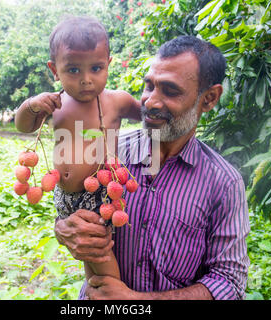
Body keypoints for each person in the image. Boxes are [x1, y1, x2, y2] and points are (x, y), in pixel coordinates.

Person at [54, 35, 251, 300]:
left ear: (209, 97)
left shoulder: (224, 183)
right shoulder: (108, 151)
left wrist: (137, 301)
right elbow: (72, 200)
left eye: (170, 91)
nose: (150, 101)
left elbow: (228, 282)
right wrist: (64, 228)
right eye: (149, 86)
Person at [14, 16, 141, 282]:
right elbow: (24, 126)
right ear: (54, 70)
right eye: (73, 70)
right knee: (87, 257)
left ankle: (115, 296)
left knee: (99, 254)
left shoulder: (116, 101)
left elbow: (148, 114)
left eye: (96, 68)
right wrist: (32, 105)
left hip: (100, 192)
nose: (86, 79)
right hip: (63, 196)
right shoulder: (53, 103)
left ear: (108, 65)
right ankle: (98, 294)